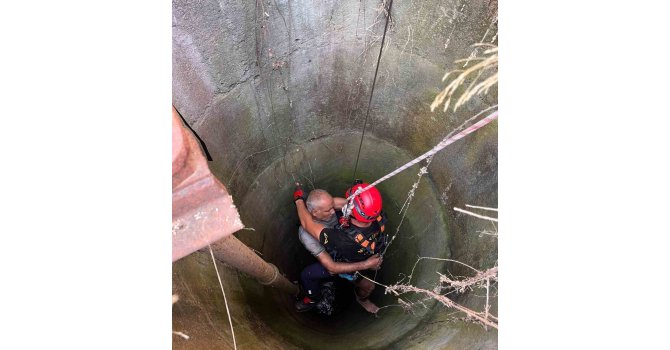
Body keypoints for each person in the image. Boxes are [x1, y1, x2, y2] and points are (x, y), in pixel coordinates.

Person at [294, 182, 388, 314]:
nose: (334, 211)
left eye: (333, 206)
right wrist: (366, 264)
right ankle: (312, 298)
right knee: (306, 275)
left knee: (368, 287)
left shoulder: (334, 210)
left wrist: (298, 199)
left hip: (352, 255)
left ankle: (362, 299)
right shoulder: (307, 234)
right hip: (335, 261)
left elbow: (340, 203)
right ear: (315, 212)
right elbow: (331, 267)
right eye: (328, 209)